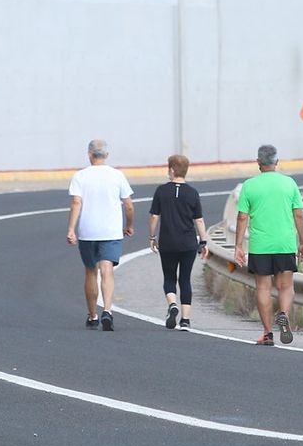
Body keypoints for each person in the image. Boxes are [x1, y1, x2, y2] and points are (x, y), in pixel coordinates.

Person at [234, 144, 303, 346]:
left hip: (260, 246)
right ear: (277, 161)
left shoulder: (249, 185)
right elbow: (299, 214)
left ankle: (267, 333)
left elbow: (242, 217)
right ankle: (283, 314)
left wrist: (238, 246)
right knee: (286, 286)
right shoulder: (289, 183)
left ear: (258, 162)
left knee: (263, 288)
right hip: (285, 244)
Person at [66, 139, 134, 331]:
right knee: (107, 270)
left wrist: (71, 229)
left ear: (89, 155)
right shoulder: (117, 175)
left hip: (88, 231)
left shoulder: (80, 176)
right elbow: (128, 205)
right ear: (107, 155)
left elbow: (76, 203)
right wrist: (129, 225)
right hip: (110, 230)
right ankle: (107, 309)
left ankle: (92, 315)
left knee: (90, 271)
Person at [149, 153, 207, 331]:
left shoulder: (161, 191)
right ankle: (186, 320)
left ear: (172, 170)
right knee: (185, 279)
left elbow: (154, 217)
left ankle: (172, 303)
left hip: (168, 242)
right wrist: (203, 241)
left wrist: (152, 237)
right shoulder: (192, 193)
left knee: (169, 277)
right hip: (188, 243)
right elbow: (199, 220)